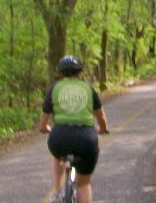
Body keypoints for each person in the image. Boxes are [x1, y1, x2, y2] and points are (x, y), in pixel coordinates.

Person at [40, 55, 108, 203]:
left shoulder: (54, 89)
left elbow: (44, 118)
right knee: (83, 184)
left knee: (56, 154)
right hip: (86, 139)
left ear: (60, 73)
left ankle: (55, 191)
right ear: (79, 73)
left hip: (60, 137)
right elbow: (100, 115)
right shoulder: (88, 89)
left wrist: (45, 127)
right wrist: (102, 129)